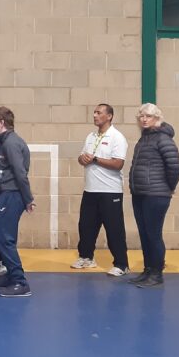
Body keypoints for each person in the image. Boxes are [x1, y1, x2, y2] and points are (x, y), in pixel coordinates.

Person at [128, 103, 179, 289]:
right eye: (141, 116)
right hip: (140, 193)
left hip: (156, 195)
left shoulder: (163, 139)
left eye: (149, 116)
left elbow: (175, 166)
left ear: (157, 118)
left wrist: (168, 187)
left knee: (153, 234)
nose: (144, 119)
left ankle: (157, 273)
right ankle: (148, 270)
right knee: (144, 234)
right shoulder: (144, 139)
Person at [73, 103, 130, 276]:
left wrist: (95, 159)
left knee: (114, 228)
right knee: (86, 226)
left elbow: (118, 163)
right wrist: (82, 159)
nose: (95, 115)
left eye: (99, 113)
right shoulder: (91, 136)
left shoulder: (117, 137)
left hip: (110, 191)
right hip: (90, 190)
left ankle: (121, 264)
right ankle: (86, 257)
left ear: (109, 116)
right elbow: (82, 157)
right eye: (94, 112)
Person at [0, 106, 36, 298]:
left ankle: (19, 282)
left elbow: (20, 173)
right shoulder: (5, 142)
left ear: (2, 122)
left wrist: (28, 198)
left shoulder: (11, 143)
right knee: (3, 238)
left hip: (12, 194)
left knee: (4, 239)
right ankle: (10, 276)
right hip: (6, 194)